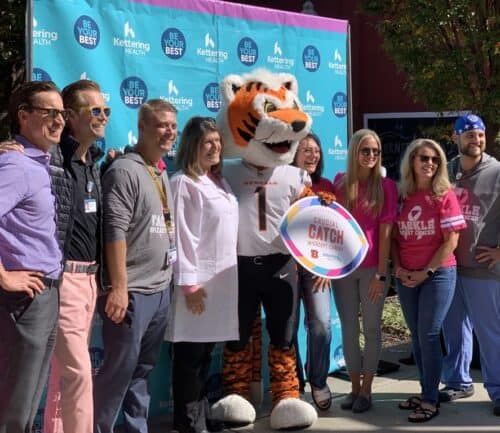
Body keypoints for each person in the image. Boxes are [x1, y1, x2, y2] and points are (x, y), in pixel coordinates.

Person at [93, 99, 177, 433]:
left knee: (141, 372)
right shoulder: (125, 170)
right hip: (132, 293)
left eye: (173, 125)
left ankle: (134, 428)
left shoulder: (159, 169)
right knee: (118, 372)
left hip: (159, 290)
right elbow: (114, 231)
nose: (169, 131)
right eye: (161, 124)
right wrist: (119, 288)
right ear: (142, 127)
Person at [42, 79, 108, 433]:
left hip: (89, 282)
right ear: (69, 117)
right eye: (94, 111)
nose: (103, 117)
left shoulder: (93, 163)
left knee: (64, 375)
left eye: (106, 111)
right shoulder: (51, 159)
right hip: (62, 279)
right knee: (79, 374)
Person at [166, 117, 239, 433]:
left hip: (219, 286)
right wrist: (189, 284)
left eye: (218, 142)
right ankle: (188, 422)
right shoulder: (184, 183)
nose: (215, 147)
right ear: (192, 145)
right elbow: (182, 237)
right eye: (208, 142)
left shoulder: (218, 182)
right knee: (190, 357)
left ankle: (200, 414)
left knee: (205, 354)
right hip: (197, 286)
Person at [0, 81, 65, 433]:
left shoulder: (38, 164)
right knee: (14, 405)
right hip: (22, 299)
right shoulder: (15, 165)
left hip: (45, 294)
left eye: (61, 113)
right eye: (48, 112)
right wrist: (5, 276)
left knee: (25, 406)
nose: (58, 120)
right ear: (23, 116)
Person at [393, 138, 466, 423]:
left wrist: (427, 272)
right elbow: (394, 239)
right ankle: (427, 390)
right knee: (417, 337)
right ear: (412, 161)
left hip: (438, 274)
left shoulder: (444, 195)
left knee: (430, 334)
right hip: (407, 276)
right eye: (423, 158)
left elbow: (451, 240)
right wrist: (399, 268)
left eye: (435, 160)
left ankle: (430, 399)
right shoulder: (401, 196)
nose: (430, 164)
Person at [332, 129, 398, 413]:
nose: (371, 156)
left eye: (375, 151)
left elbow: (385, 234)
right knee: (348, 329)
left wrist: (382, 275)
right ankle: (354, 388)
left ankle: (368, 389)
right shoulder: (340, 183)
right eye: (365, 150)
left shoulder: (386, 187)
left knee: (371, 329)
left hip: (373, 269)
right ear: (354, 152)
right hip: (344, 269)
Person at [441, 114, 500, 415]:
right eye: (469, 135)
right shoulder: (445, 170)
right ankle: (457, 382)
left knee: (490, 334)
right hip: (450, 267)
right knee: (454, 331)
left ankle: (499, 391)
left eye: (479, 134)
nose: (475, 140)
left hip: (483, 269)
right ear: (456, 137)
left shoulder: (497, 172)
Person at [291, 133, 334, 411]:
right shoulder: (281, 183)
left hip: (317, 270)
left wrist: (327, 267)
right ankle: (294, 383)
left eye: (316, 150)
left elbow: (335, 233)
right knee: (288, 329)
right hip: (288, 268)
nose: (312, 155)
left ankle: (318, 380)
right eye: (306, 150)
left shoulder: (327, 187)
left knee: (321, 326)